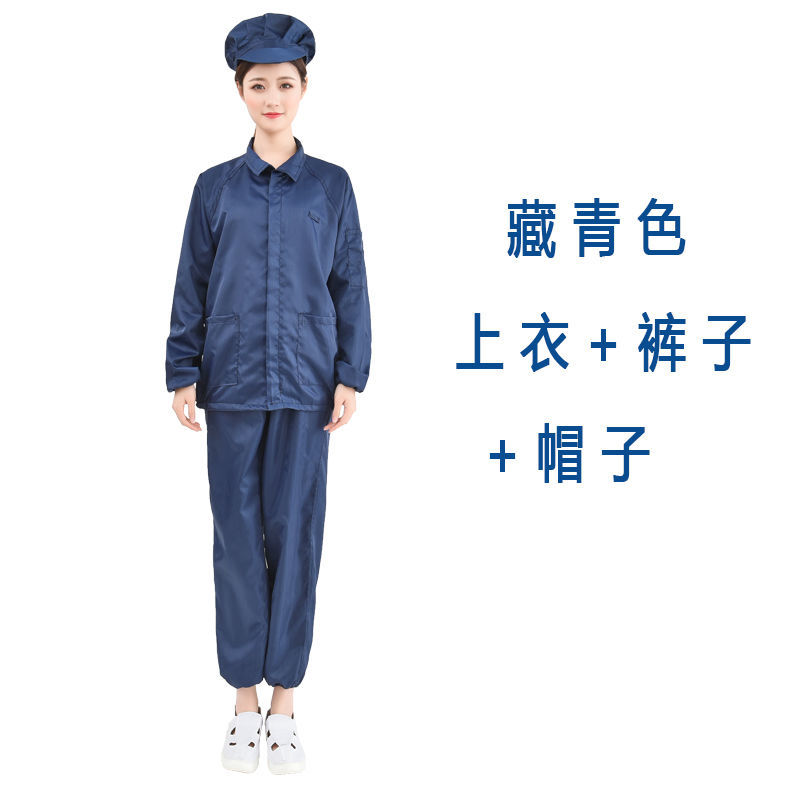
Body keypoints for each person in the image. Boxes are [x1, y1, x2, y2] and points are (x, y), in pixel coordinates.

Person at [164, 13, 372, 775]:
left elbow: (351, 281)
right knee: (236, 536)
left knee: (297, 535)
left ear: (304, 88)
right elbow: (191, 281)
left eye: (285, 84)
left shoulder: (332, 186)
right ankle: (242, 701)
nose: (273, 97)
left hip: (309, 383)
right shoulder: (214, 188)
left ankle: (284, 704)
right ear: (240, 92)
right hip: (232, 382)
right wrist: (181, 369)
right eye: (259, 86)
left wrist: (351, 372)